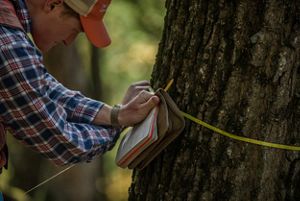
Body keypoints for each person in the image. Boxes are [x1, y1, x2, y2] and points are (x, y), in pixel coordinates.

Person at [0, 0, 160, 172]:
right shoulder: (9, 45)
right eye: (75, 30)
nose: (69, 41)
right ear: (53, 4)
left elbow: (45, 89)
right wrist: (118, 128)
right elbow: (62, 142)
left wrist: (117, 115)